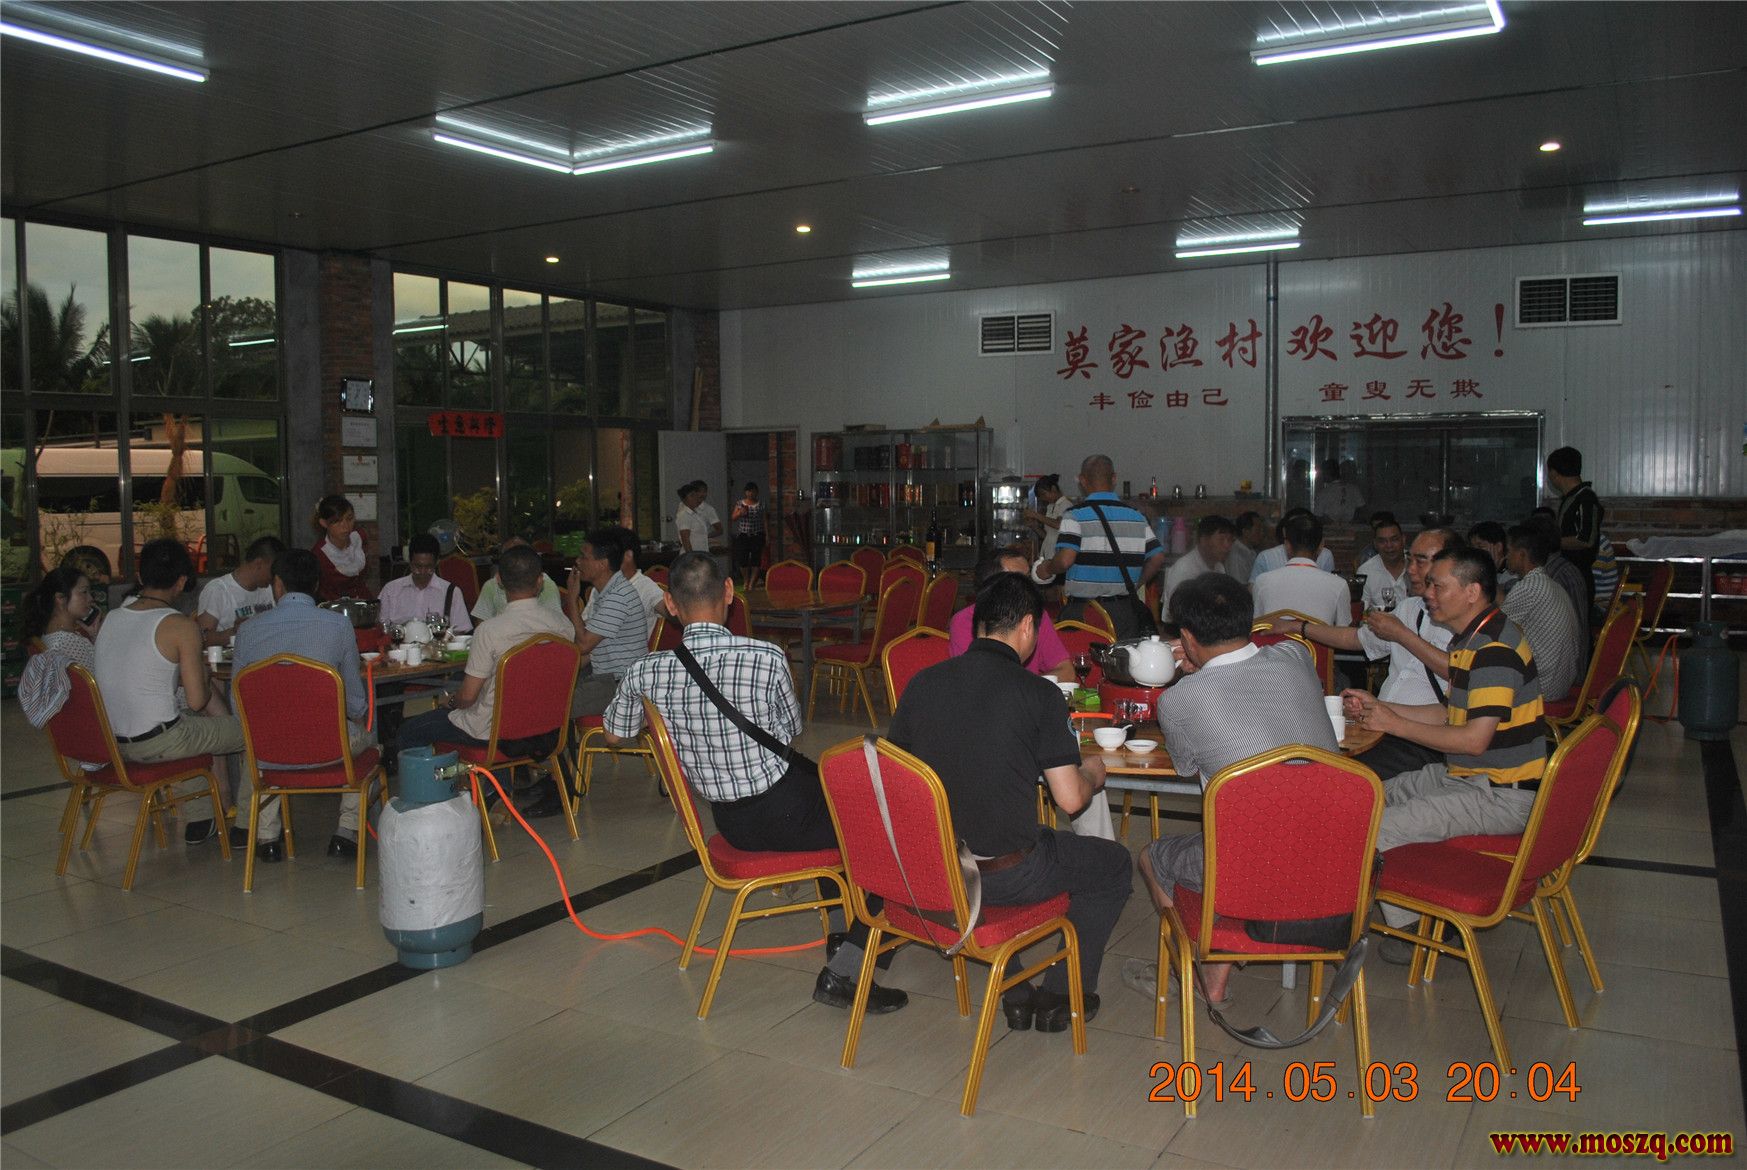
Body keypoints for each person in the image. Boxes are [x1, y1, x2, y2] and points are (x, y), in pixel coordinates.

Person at [603, 551, 907, 1015]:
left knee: (834, 815)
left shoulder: (646, 670)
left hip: (729, 822)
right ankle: (846, 972)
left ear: (670, 604)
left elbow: (615, 733)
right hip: (785, 812)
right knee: (887, 830)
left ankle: (840, 936)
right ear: (729, 593)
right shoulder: (765, 657)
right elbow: (790, 732)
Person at [891, 572, 1131, 1031]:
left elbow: (898, 779)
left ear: (978, 624)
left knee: (995, 828)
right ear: (1027, 626)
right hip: (1008, 875)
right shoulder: (1038, 693)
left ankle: (1015, 988)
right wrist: (1093, 772)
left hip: (934, 869)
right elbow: (1070, 800)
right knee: (1113, 864)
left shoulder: (922, 684)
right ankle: (1063, 994)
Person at [1138, 572, 1338, 1005]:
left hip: (1250, 865)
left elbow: (1186, 766)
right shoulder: (1296, 656)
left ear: (1186, 638)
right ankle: (1222, 961)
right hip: (1337, 860)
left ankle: (1193, 970)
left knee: (1155, 856)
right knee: (1244, 829)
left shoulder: (1179, 699)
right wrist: (1205, 661)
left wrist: (1193, 673)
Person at [1343, 546, 1548, 962]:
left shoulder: (1494, 649)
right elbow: (1448, 713)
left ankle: (1416, 929)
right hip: (1472, 777)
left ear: (1472, 592)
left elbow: (1473, 740)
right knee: (1369, 796)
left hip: (1500, 794)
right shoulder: (1476, 636)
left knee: (1378, 827)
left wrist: (1394, 724)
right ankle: (1364, 899)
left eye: (1438, 585)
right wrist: (1380, 709)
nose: (1427, 592)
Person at [92, 539, 245, 848]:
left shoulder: (112, 618)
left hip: (116, 745)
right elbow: (198, 700)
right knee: (256, 732)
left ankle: (201, 818)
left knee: (187, 724)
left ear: (140, 576)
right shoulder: (180, 626)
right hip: (161, 742)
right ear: (182, 581)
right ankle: (249, 823)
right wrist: (202, 674)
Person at [1282, 528, 1464, 779]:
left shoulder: (1465, 621)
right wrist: (1298, 627)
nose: (1410, 569)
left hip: (1423, 739)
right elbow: (1355, 638)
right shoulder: (1409, 608)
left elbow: (1460, 674)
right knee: (1303, 756)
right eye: (1410, 559)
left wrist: (1401, 634)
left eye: (1420, 561)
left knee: (1337, 776)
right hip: (1380, 728)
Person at [232, 548, 376, 859]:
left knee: (265, 738)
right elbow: (355, 701)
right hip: (329, 747)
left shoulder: (247, 630)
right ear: (316, 585)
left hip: (269, 751)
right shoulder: (338, 625)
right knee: (370, 737)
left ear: (277, 584)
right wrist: (355, 717)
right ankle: (346, 831)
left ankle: (267, 839)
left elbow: (237, 703)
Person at [396, 544, 575, 777]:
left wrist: (451, 702)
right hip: (546, 728)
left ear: (498, 580)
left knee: (411, 730)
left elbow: (468, 698)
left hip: (493, 731)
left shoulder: (490, 631)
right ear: (540, 581)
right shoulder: (563, 626)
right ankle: (495, 790)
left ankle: (430, 795)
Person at [1034, 454, 1163, 639]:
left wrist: (1046, 569)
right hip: (1125, 612)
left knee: (1082, 656)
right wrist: (1136, 584)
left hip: (1085, 612)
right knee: (1124, 656)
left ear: (1082, 480)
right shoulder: (1136, 516)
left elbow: (1065, 560)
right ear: (1114, 478)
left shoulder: (1074, 516)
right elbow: (1157, 557)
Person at [562, 526, 651, 720]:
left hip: (620, 684)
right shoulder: (608, 591)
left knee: (554, 706)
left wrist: (572, 599)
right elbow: (590, 646)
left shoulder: (618, 596)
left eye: (584, 557)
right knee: (554, 688)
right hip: (607, 675)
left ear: (602, 564)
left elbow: (584, 645)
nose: (578, 561)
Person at [947, 547, 1073, 682]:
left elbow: (1067, 672)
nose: (1028, 587)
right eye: (1018, 580)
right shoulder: (966, 621)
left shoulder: (1036, 616)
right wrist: (1030, 686)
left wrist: (1030, 688)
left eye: (1028, 578)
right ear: (992, 586)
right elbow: (977, 681)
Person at [1501, 523, 1586, 702]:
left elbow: (1493, 630)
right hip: (1560, 683)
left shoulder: (1529, 587)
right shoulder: (1549, 583)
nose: (1505, 556)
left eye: (1508, 551)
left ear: (1522, 554)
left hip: (1543, 687)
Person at [16, 566, 100, 729]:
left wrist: (93, 636)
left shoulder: (48, 638)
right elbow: (102, 680)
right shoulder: (68, 643)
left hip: (80, 726)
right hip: (99, 721)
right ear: (60, 598)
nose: (90, 599)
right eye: (84, 592)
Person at [1250, 512, 1351, 627]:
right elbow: (1342, 631)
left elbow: (1257, 628)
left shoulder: (1262, 582)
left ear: (1287, 545)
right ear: (1321, 545)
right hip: (1318, 640)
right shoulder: (1339, 585)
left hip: (1272, 639)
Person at [195, 535, 285, 648]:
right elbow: (202, 638)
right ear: (259, 564)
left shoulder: (271, 589)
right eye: (273, 570)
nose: (276, 575)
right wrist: (235, 632)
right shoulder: (218, 590)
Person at [378, 533, 473, 633]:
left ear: (436, 563)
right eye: (417, 566)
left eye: (428, 567)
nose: (422, 572)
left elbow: (461, 630)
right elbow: (381, 627)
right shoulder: (391, 590)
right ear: (409, 562)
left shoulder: (451, 592)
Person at [1548, 446, 1603, 608]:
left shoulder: (1586, 498)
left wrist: (1551, 542)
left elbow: (1586, 539)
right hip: (1568, 573)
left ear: (1554, 473)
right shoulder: (1571, 498)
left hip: (1578, 576)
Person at [471, 538, 565, 622]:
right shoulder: (491, 586)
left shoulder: (547, 585)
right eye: (510, 560)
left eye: (522, 559)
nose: (516, 565)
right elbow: (481, 620)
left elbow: (554, 622)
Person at [1161, 516, 1235, 608]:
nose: (1227, 546)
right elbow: (1175, 610)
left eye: (1230, 540)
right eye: (1221, 539)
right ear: (1203, 540)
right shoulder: (1184, 568)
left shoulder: (1219, 567)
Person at [311, 494, 371, 602]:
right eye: (337, 521)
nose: (345, 526)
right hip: (334, 608)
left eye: (349, 519)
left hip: (364, 602)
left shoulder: (359, 538)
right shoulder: (319, 554)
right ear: (324, 523)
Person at [1250, 508, 1336, 577]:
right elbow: (1253, 588)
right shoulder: (1266, 557)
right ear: (1284, 531)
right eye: (1296, 528)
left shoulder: (1325, 555)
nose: (1301, 531)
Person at [1356, 516, 1408, 613]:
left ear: (1403, 540)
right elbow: (1363, 612)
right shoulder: (1365, 572)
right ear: (1375, 544)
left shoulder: (1417, 566)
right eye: (1382, 541)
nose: (1389, 545)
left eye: (1394, 540)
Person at [1022, 474, 1074, 552]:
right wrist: (1034, 527)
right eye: (1041, 497)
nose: (1043, 498)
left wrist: (1035, 515)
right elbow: (1048, 536)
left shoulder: (1066, 504)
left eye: (1044, 494)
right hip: (1048, 552)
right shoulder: (1050, 506)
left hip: (1058, 552)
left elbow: (1058, 524)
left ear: (1053, 489)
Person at [729, 482, 766, 589]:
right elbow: (733, 517)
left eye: (753, 491)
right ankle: (746, 580)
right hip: (743, 534)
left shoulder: (761, 504)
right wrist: (740, 513)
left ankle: (752, 583)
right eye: (748, 491)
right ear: (745, 492)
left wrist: (767, 535)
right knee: (742, 559)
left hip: (757, 534)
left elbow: (765, 520)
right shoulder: (740, 503)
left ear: (757, 492)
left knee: (756, 559)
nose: (751, 494)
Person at [1467, 520, 1516, 597]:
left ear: (1498, 547)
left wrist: (1490, 571)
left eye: (1481, 546)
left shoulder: (1512, 574)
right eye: (1473, 548)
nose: (1475, 552)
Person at [1313, 458, 1366, 522]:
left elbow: (1318, 517)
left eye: (1322, 472)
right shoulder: (1354, 489)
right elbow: (1362, 511)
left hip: (1330, 528)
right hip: (1352, 527)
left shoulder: (1323, 493)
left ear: (1326, 473)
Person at [1226, 510, 1268, 586]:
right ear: (1246, 532)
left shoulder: (1251, 551)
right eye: (1258, 530)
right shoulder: (1236, 556)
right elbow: (1240, 586)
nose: (1262, 533)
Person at [675, 482, 710, 554]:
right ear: (684, 499)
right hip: (692, 556)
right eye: (692, 496)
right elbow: (686, 540)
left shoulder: (697, 513)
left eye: (696, 495)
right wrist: (692, 558)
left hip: (701, 554)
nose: (695, 498)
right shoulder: (684, 515)